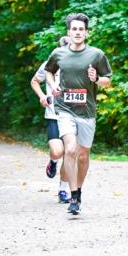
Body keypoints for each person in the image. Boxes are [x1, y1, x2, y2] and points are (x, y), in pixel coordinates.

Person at [42, 13, 112, 215]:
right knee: (70, 149)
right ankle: (73, 195)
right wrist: (54, 85)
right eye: (74, 29)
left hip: (87, 112)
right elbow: (48, 71)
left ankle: (79, 190)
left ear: (86, 32)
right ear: (68, 32)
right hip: (65, 109)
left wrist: (96, 78)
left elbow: (108, 80)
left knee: (83, 156)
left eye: (81, 29)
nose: (78, 32)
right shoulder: (59, 53)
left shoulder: (96, 55)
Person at [31, 35, 72, 203]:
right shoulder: (49, 66)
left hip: (72, 116)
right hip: (53, 115)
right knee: (58, 151)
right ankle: (53, 161)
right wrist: (42, 96)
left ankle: (63, 189)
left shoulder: (79, 66)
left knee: (69, 153)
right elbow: (34, 81)